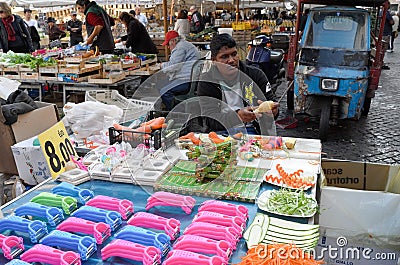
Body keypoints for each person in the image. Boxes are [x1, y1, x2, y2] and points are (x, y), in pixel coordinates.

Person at [197, 33, 279, 135]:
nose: (231, 60)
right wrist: (237, 117)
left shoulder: (256, 75)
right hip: (221, 134)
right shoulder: (207, 81)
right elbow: (210, 119)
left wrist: (273, 112)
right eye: (224, 57)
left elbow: (272, 104)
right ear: (214, 61)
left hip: (254, 132)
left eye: (234, 54)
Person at [159, 30, 200, 110]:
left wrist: (161, 65)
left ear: (173, 41)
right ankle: (171, 108)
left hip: (187, 80)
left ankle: (174, 113)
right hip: (191, 78)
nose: (168, 47)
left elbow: (173, 66)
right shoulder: (185, 44)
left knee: (164, 92)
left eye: (168, 44)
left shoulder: (179, 48)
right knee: (161, 84)